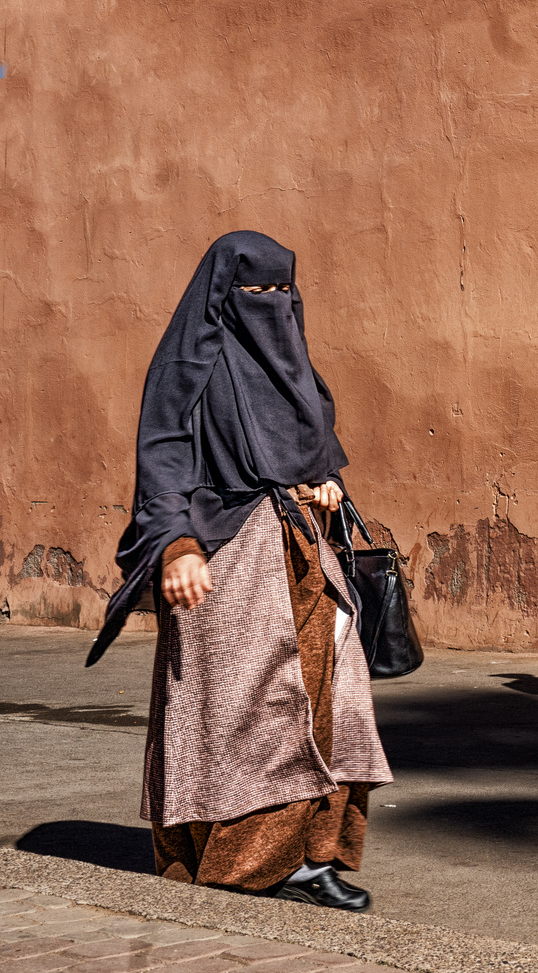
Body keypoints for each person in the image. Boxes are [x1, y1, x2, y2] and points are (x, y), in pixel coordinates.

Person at [87, 231, 392, 909]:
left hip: (304, 558)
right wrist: (177, 547)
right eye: (256, 292)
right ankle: (248, 863)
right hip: (227, 565)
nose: (272, 305)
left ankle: (313, 858)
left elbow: (308, 438)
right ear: (224, 294)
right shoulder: (189, 363)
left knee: (329, 710)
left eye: (282, 292)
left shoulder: (289, 361)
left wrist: (319, 481)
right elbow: (163, 458)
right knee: (249, 718)